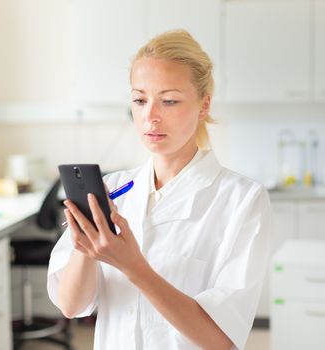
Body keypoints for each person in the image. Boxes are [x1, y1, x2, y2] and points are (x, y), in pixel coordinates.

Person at [47, 30, 271, 350]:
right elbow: (70, 306)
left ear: (203, 105)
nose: (150, 116)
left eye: (169, 101)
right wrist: (87, 245)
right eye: (140, 100)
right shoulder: (111, 191)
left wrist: (132, 266)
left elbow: (222, 340)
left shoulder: (243, 201)